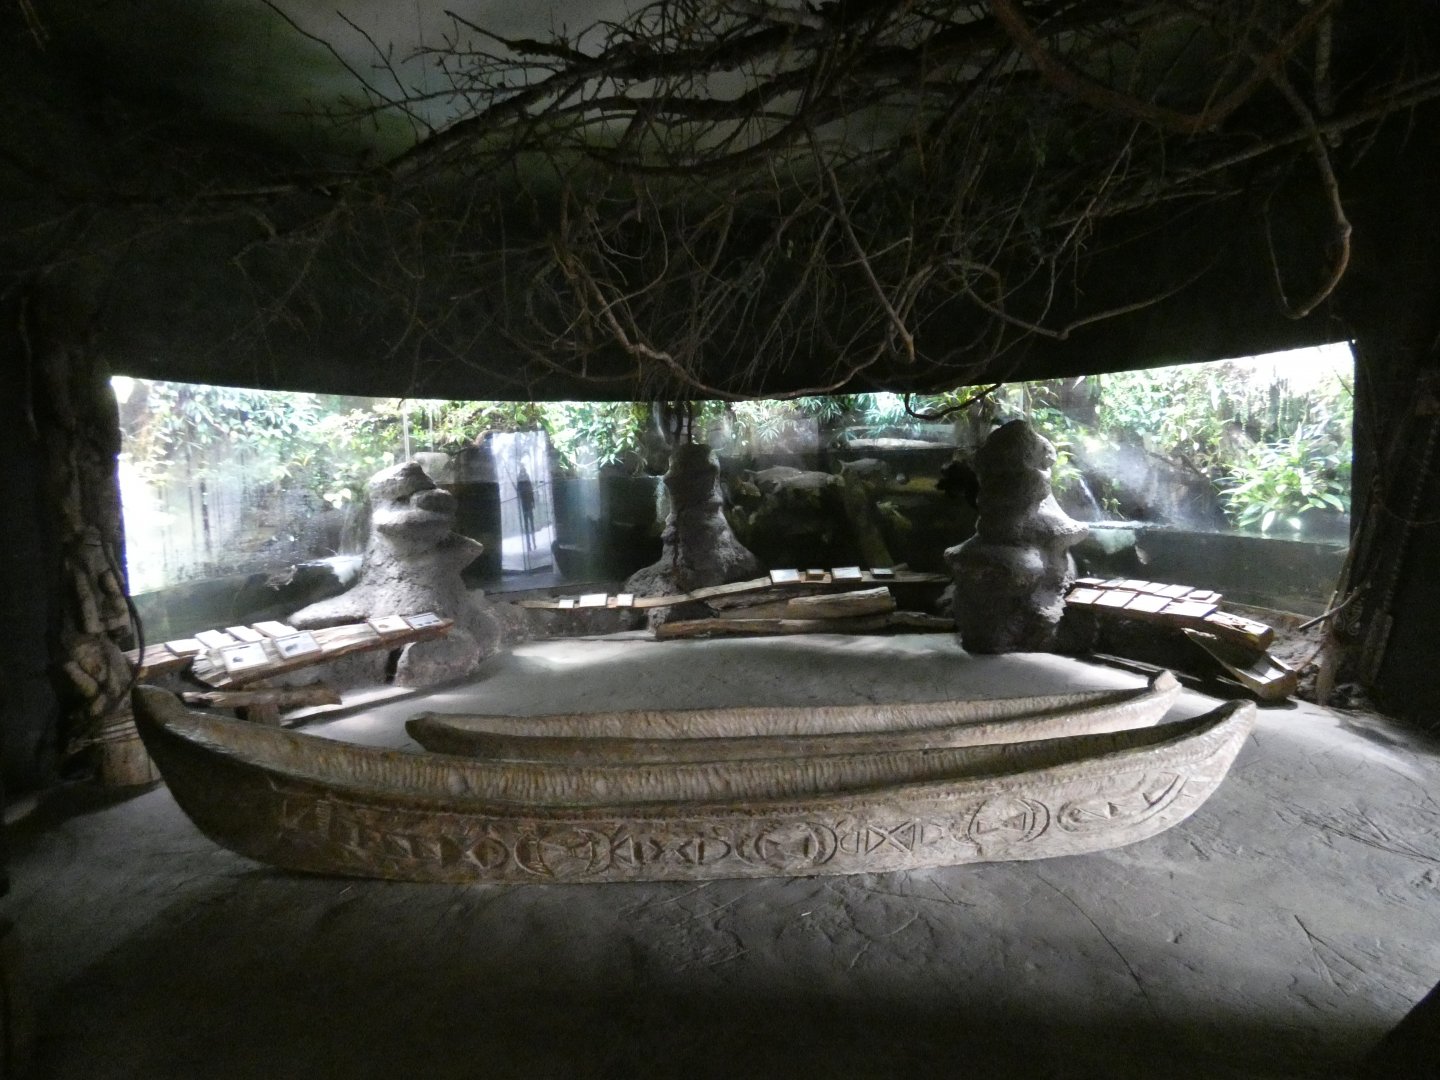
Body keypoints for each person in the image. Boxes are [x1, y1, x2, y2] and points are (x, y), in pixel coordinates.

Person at [515, 465, 536, 550]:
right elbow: (520, 491)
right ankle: (529, 544)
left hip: (527, 503)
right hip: (525, 503)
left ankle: (532, 543)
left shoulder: (525, 478)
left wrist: (532, 502)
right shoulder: (521, 479)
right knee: (528, 524)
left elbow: (530, 491)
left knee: (530, 523)